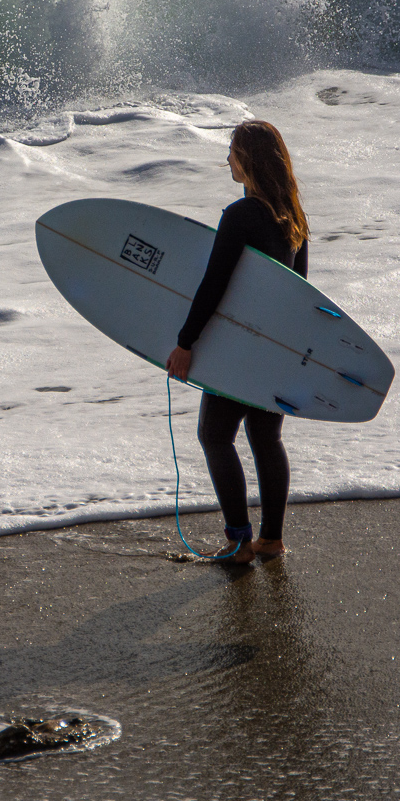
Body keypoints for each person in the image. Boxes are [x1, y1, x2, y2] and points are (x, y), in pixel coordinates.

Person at [166, 120, 309, 565]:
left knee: (214, 434)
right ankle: (271, 539)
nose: (225, 159)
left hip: (242, 348)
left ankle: (238, 541)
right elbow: (299, 292)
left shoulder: (241, 215)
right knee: (265, 436)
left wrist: (186, 342)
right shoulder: (294, 217)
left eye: (231, 150)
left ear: (247, 158)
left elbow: (215, 285)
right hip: (274, 346)